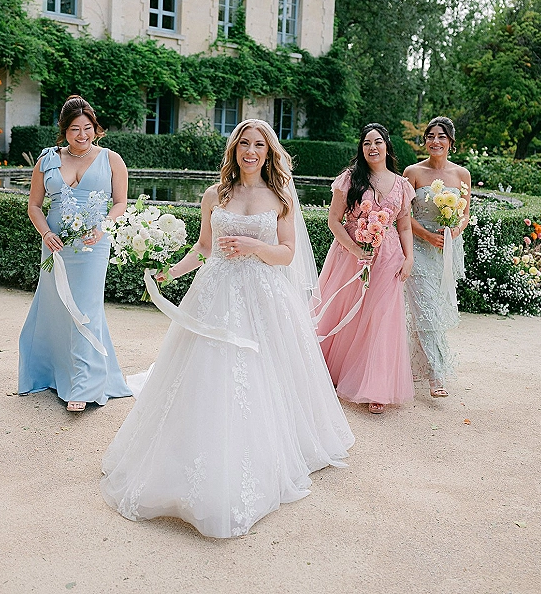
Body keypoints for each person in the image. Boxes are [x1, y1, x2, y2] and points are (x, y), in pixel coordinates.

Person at [100, 119, 354, 538]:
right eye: (243, 144)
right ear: (234, 149)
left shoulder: (280, 195)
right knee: (205, 375)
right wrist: (169, 272)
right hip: (216, 295)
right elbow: (204, 249)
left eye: (258, 145)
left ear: (269, 152)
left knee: (262, 377)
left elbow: (288, 254)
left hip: (262, 299)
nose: (250, 151)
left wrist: (255, 247)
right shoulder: (214, 195)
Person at [18, 95, 132, 412]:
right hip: (56, 245)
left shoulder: (112, 160)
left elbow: (121, 203)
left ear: (95, 128)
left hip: (94, 244)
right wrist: (47, 232)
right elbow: (35, 206)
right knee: (55, 307)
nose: (82, 135)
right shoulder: (47, 160)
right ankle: (48, 372)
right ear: (64, 131)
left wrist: (105, 226)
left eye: (87, 128)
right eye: (74, 129)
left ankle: (83, 385)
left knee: (86, 308)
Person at [316, 123, 415, 414]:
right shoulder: (350, 179)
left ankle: (376, 387)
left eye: (378, 142)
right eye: (366, 143)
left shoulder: (401, 184)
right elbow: (334, 221)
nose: (372, 147)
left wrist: (409, 258)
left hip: (389, 257)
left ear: (387, 146)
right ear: (361, 148)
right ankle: (331, 372)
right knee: (346, 310)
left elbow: (405, 224)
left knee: (381, 316)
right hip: (352, 254)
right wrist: (357, 249)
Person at [403, 116, 470, 398]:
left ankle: (413, 364)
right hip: (418, 247)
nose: (435, 141)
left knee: (434, 310)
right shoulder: (412, 172)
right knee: (424, 307)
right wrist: (427, 235)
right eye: (430, 136)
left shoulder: (461, 174)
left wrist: (456, 228)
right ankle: (436, 373)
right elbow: (402, 215)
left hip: (446, 249)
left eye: (441, 136)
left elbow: (465, 213)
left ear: (451, 142)